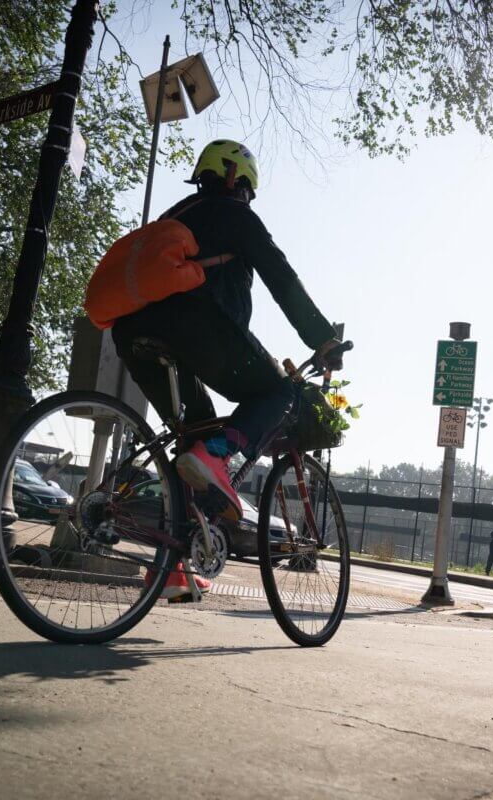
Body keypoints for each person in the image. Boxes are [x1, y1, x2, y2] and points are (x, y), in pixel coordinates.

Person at [107, 140, 344, 599]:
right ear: (235, 179)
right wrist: (323, 340)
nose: (247, 198)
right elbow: (281, 277)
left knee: (188, 439)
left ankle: (173, 569)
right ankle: (219, 454)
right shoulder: (235, 216)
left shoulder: (175, 214)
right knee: (280, 392)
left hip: (131, 331)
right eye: (248, 190)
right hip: (198, 325)